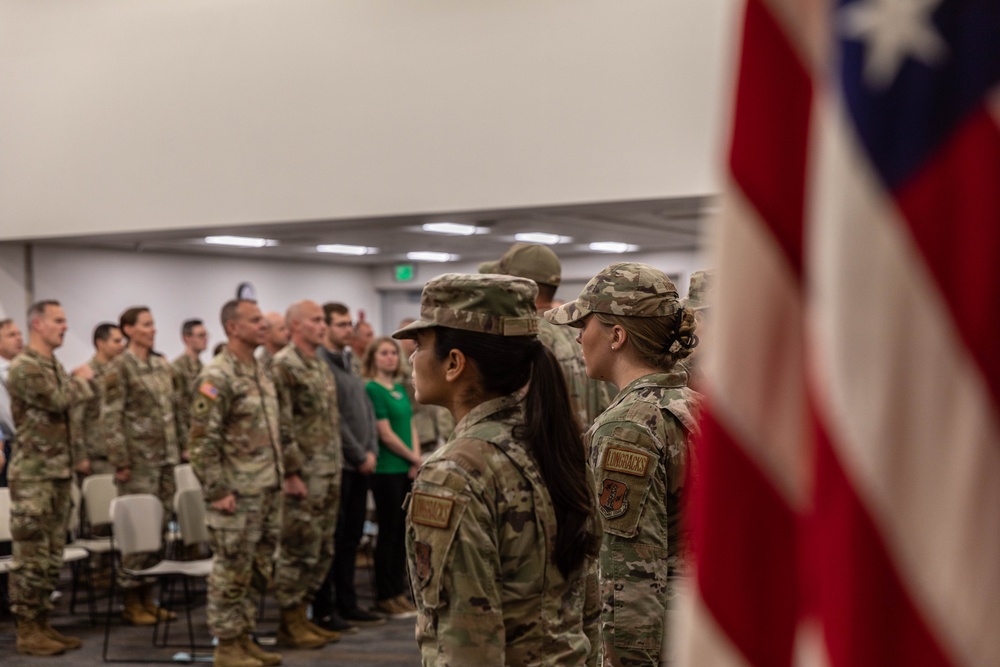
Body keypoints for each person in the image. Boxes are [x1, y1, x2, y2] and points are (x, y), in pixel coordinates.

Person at [395, 274, 601, 665]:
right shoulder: (556, 446)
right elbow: (588, 609)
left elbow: (465, 646)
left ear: (454, 363)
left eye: (420, 344)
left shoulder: (453, 473)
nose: (411, 357)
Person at [545, 262, 702, 667]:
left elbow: (631, 572)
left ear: (617, 336)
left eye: (586, 323)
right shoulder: (695, 405)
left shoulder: (627, 426)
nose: (579, 337)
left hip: (660, 636)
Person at [189, 299, 283, 667]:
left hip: (265, 488)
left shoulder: (259, 368)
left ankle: (244, 636)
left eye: (263, 318)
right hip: (235, 493)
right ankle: (226, 645)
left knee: (257, 570)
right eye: (255, 320)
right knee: (231, 570)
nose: (263, 325)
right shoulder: (217, 376)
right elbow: (201, 441)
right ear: (232, 327)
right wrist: (217, 491)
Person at [7, 300, 95, 655]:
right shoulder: (24, 367)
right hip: (34, 475)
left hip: (57, 472)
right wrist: (82, 381)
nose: (65, 326)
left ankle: (43, 622)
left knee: (50, 555)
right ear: (38, 324)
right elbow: (59, 401)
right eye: (59, 321)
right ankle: (27, 629)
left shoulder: (49, 364)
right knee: (31, 555)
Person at [480, 242, 614, 431]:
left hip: (542, 455)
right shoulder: (578, 333)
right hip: (584, 452)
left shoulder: (521, 338)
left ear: (516, 285)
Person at [103, 306, 182, 626]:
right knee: (137, 533)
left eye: (153, 324)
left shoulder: (160, 367)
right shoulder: (119, 367)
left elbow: (172, 413)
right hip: (136, 463)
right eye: (146, 325)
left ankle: (149, 597)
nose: (153, 329)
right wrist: (120, 460)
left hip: (164, 459)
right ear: (128, 329)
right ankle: (130, 599)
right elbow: (110, 416)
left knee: (160, 531)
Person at [270, 301, 343, 648]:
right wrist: (291, 472)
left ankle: (304, 614)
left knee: (321, 547)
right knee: (297, 547)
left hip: (328, 469)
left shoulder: (317, 363)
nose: (323, 326)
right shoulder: (284, 365)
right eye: (316, 321)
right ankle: (289, 620)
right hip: (304, 475)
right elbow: (281, 424)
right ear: (296, 325)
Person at [313, 302, 383, 631]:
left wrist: (371, 447)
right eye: (341, 324)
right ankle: (329, 608)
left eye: (348, 324)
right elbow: (335, 418)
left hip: (362, 462)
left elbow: (365, 408)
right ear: (325, 327)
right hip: (342, 463)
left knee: (352, 538)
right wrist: (359, 453)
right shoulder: (321, 363)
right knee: (336, 538)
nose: (347, 330)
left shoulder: (350, 360)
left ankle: (349, 601)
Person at [363, 336, 421, 618]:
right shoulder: (372, 389)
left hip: (407, 467)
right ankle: (385, 594)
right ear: (373, 357)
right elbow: (384, 433)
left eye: (392, 353)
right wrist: (413, 457)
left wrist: (416, 458)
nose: (389, 358)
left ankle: (399, 591)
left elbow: (409, 424)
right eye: (383, 353)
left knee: (402, 533)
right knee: (388, 532)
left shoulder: (399, 388)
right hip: (386, 469)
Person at [71, 322, 126, 481]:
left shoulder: (119, 372)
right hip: (97, 457)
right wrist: (80, 456)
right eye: (116, 341)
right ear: (100, 343)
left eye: (122, 341)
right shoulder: (86, 374)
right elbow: (76, 418)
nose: (121, 346)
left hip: (120, 456)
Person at [397, 319, 454, 456]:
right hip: (414, 432)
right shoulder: (398, 367)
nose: (413, 341)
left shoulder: (430, 361)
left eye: (418, 339)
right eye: (410, 337)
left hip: (434, 430)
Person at [172, 318, 209, 458]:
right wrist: (184, 445)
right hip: (188, 438)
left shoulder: (204, 368)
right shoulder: (177, 368)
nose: (205, 339)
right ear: (187, 338)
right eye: (200, 335)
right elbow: (178, 410)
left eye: (206, 335)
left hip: (202, 435)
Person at [0, 317, 25, 486]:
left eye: (19, 333)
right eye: (11, 335)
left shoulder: (26, 366)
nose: (19, 338)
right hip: (11, 448)